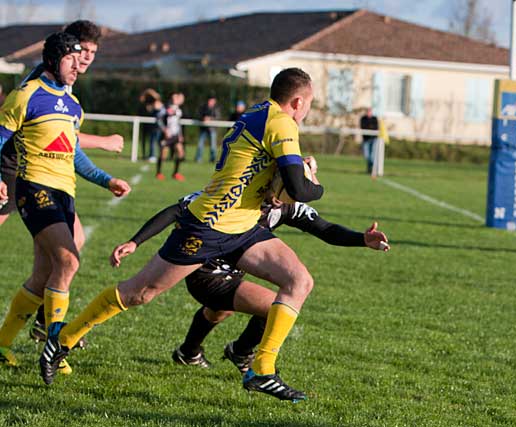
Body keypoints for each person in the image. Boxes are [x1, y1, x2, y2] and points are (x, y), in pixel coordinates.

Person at [39, 68, 323, 403]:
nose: (307, 111)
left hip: (242, 226)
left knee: (299, 281)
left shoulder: (260, 112)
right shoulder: (282, 123)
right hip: (208, 225)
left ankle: (263, 370)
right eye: (309, 104)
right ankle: (62, 341)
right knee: (139, 293)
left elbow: (265, 171)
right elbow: (298, 188)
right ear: (298, 101)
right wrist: (315, 183)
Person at [109, 162, 390, 372]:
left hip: (230, 269)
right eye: (287, 187)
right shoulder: (237, 193)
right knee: (276, 308)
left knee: (220, 309)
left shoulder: (287, 206)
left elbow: (325, 229)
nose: (289, 197)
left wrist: (362, 240)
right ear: (273, 178)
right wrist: (136, 241)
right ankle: (241, 352)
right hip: (204, 270)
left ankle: (188, 352)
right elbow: (177, 210)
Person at [0, 33, 129, 372]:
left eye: (81, 58)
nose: (78, 65)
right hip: (34, 190)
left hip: (64, 194)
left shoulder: (74, 107)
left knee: (44, 274)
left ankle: (1, 344)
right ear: (53, 60)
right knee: (69, 262)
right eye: (72, 59)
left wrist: (107, 180)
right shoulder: (26, 96)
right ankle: (54, 346)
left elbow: (73, 155)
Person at [156, 92, 185, 181]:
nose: (177, 99)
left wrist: (180, 134)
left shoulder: (179, 110)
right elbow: (158, 120)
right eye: (175, 98)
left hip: (175, 136)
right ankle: (159, 173)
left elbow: (178, 123)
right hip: (166, 136)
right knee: (163, 154)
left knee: (180, 153)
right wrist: (164, 130)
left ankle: (175, 173)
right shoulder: (164, 108)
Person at [194, 94, 221, 163]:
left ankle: (213, 159)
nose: (210, 102)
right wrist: (203, 118)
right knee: (200, 144)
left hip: (212, 129)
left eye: (212, 100)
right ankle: (198, 158)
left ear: (215, 101)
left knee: (213, 146)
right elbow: (198, 115)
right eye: (209, 100)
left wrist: (210, 119)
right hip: (203, 129)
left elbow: (218, 117)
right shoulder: (203, 107)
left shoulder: (216, 108)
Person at [360, 107, 379, 174]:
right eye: (367, 112)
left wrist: (370, 127)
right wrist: (370, 126)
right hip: (366, 140)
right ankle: (370, 168)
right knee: (367, 156)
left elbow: (376, 127)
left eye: (370, 111)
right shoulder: (363, 118)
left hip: (374, 139)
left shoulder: (374, 118)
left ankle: (372, 170)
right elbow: (363, 127)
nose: (369, 113)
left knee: (372, 156)